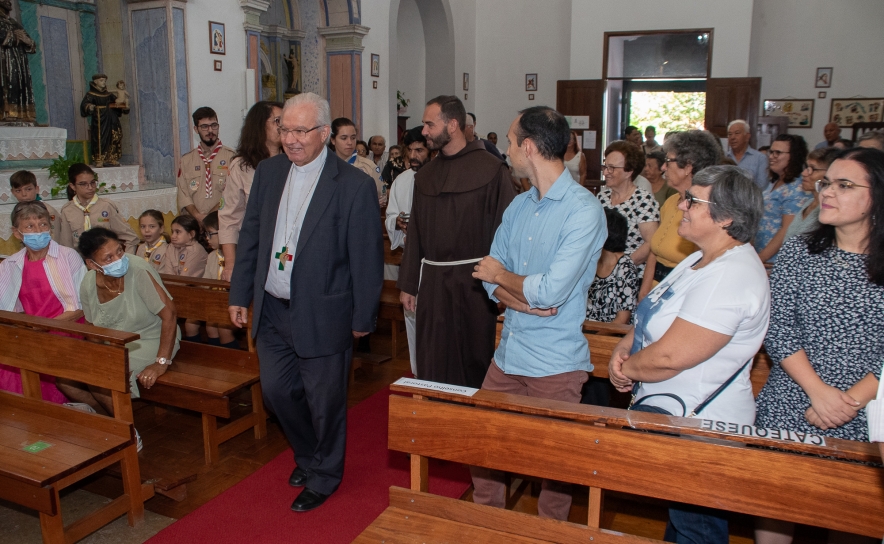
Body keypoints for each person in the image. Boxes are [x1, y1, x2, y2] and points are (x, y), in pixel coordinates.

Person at [228, 92, 383, 512]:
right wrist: (240, 292)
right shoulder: (269, 172)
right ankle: (309, 456)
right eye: (284, 129)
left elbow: (367, 258)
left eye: (300, 131)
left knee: (325, 401)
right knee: (278, 393)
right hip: (273, 307)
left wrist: (363, 316)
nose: (291, 139)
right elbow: (252, 237)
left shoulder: (354, 186)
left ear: (325, 134)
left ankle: (326, 475)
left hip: (325, 310)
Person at [610, 165, 769, 543]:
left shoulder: (732, 275)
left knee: (697, 528)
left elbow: (671, 357)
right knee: (684, 522)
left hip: (702, 426)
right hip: (677, 417)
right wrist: (625, 344)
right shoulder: (698, 258)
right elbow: (655, 311)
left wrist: (627, 368)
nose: (680, 205)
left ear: (726, 216)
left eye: (692, 200)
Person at [470, 105, 607, 521]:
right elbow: (488, 277)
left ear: (527, 147)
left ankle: (551, 534)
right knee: (483, 445)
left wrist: (508, 280)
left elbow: (550, 290)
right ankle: (489, 526)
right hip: (509, 353)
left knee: (553, 469)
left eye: (510, 142)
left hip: (556, 361)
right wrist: (522, 296)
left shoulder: (584, 210)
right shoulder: (518, 206)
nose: (507, 150)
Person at [754, 147, 884, 544]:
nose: (826, 192)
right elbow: (777, 328)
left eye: (845, 185)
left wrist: (850, 400)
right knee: (776, 509)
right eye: (827, 183)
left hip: (869, 408)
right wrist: (818, 392)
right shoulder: (800, 251)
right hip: (793, 396)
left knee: (853, 522)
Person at [397, 95, 516, 388]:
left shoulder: (492, 169)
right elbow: (416, 235)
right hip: (434, 281)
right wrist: (409, 284)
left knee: (473, 354)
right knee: (434, 355)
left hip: (477, 281)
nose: (423, 132)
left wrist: (503, 284)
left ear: (452, 125)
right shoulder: (425, 175)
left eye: (429, 124)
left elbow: (506, 233)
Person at [63, 228, 180, 424]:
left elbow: (170, 315)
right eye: (108, 258)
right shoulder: (88, 284)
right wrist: (96, 355)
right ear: (91, 264)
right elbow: (92, 328)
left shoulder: (138, 269)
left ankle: (128, 434)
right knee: (66, 378)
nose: (118, 259)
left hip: (152, 338)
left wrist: (161, 363)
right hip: (115, 345)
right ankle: (110, 424)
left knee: (104, 376)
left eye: (119, 251)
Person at [0, 201, 85, 403]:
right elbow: (6, 309)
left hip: (65, 328)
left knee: (41, 362)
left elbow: (82, 306)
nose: (38, 231)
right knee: (9, 365)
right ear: (17, 233)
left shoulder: (68, 256)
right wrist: (26, 329)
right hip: (28, 332)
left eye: (43, 224)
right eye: (30, 226)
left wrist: (44, 328)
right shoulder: (10, 264)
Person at [639, 130, 721, 299]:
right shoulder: (671, 202)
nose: (663, 167)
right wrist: (644, 293)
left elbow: (703, 267)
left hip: (681, 296)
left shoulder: (706, 212)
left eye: (668, 161)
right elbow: (654, 252)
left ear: (688, 167)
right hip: (655, 291)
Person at [219, 100, 284, 282]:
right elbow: (229, 217)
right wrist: (231, 263)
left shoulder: (293, 161)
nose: (283, 126)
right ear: (259, 125)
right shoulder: (242, 166)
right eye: (277, 121)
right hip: (256, 249)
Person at [384, 126, 431, 375]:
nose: (414, 155)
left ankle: (438, 376)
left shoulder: (439, 175)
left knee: (433, 324)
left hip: (434, 264)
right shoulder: (401, 181)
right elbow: (390, 215)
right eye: (410, 150)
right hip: (410, 260)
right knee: (412, 318)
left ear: (431, 150)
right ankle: (417, 373)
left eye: (419, 150)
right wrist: (397, 223)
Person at [596, 140, 659, 281]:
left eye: (612, 168)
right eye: (605, 167)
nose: (606, 172)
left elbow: (651, 243)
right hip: (600, 272)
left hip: (629, 276)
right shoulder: (602, 197)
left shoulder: (643, 200)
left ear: (629, 171)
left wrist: (620, 267)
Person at [58, 163, 140, 253]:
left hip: (107, 260)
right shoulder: (67, 210)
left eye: (93, 183)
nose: (90, 188)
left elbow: (131, 238)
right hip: (81, 262)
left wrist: (125, 261)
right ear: (73, 186)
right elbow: (66, 247)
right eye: (83, 184)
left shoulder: (106, 206)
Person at [756, 134, 811, 265]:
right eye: (771, 152)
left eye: (778, 153)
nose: (771, 157)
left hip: (775, 259)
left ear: (793, 156)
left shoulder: (796, 188)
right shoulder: (774, 182)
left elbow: (787, 229)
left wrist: (761, 258)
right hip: (763, 252)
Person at [176, 107, 236, 225]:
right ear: (196, 129)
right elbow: (183, 194)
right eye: (204, 127)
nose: (210, 130)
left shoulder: (232, 158)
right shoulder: (186, 160)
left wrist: (210, 218)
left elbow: (232, 193)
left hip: (221, 222)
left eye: (214, 125)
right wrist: (198, 216)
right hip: (194, 223)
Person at [159, 214, 207, 342]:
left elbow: (185, 279)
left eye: (178, 232)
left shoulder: (197, 250)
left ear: (191, 234)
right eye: (172, 231)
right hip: (175, 292)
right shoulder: (170, 247)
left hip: (196, 295)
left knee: (189, 325)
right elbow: (168, 275)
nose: (173, 236)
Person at [586, 208, 637, 324]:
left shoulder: (625, 267)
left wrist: (596, 338)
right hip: (585, 329)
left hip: (609, 332)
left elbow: (623, 319)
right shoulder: (592, 259)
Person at [784, 147, 840, 241]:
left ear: (829, 173)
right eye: (806, 167)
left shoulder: (828, 209)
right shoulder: (808, 203)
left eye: (812, 169)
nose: (804, 173)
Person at [201, 211, 238, 349]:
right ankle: (216, 360)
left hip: (235, 304)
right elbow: (206, 281)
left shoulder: (238, 256)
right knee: (210, 326)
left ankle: (231, 363)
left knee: (223, 327)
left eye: (210, 234)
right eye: (205, 234)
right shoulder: (212, 256)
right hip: (217, 302)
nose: (206, 238)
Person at [329, 117, 386, 204]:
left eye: (353, 138)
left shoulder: (369, 166)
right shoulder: (325, 165)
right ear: (333, 140)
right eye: (344, 138)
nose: (349, 142)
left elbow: (381, 197)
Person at [80, 74, 128, 167]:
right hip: (100, 120)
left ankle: (112, 158)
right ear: (95, 82)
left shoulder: (109, 94)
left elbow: (117, 103)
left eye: (105, 81)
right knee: (100, 138)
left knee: (114, 136)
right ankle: (99, 159)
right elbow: (84, 105)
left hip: (112, 119)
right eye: (101, 80)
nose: (104, 83)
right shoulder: (91, 94)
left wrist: (124, 106)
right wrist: (90, 106)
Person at [0, 0, 36, 122]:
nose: (8, 1)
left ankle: (20, 114)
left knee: (17, 85)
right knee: (6, 87)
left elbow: (30, 42)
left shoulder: (13, 22)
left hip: (19, 63)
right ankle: (6, 113)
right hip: (3, 61)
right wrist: (13, 36)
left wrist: (27, 41)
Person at [9, 170, 60, 238]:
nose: (24, 194)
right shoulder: (17, 211)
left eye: (28, 189)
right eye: (18, 190)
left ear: (36, 189)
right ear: (13, 192)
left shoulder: (48, 211)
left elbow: (54, 236)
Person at [726, 119, 769, 190]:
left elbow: (762, 186)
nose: (732, 137)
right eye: (730, 134)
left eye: (737, 133)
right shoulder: (724, 157)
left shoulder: (760, 158)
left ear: (747, 137)